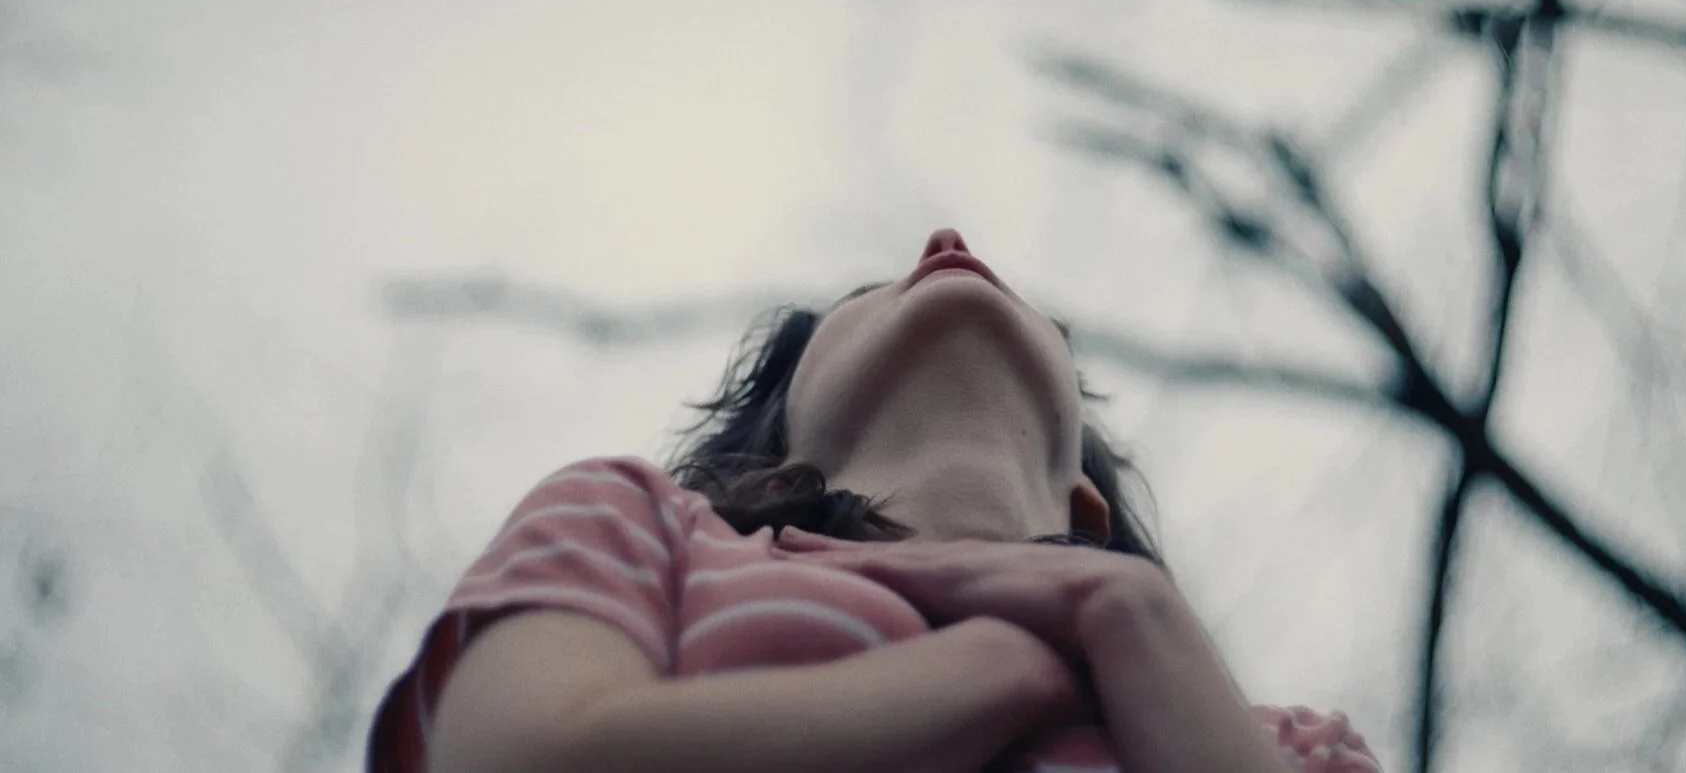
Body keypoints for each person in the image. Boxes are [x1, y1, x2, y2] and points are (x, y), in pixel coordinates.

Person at [366, 229, 1381, 773]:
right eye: (859, 297)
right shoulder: (638, 526)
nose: (947, 241)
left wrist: (1130, 611)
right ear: (782, 437)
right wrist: (989, 671)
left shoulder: (1294, 746)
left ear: (1087, 502)